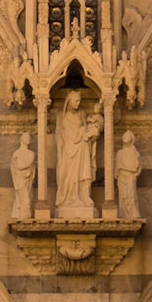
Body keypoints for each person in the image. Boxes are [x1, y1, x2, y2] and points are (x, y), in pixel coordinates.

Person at [54, 88, 98, 219]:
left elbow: (86, 129)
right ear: (69, 101)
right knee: (65, 174)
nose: (78, 103)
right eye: (75, 100)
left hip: (80, 148)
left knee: (81, 173)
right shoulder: (60, 115)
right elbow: (58, 132)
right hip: (67, 149)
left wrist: (89, 135)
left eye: (79, 100)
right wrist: (60, 141)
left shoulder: (82, 113)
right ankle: (66, 198)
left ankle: (83, 197)